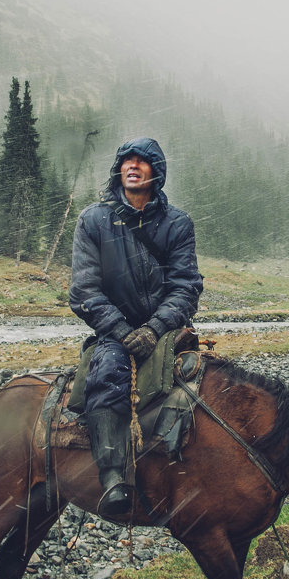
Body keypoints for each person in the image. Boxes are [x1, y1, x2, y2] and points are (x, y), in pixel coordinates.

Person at [69, 137, 202, 515]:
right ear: (118, 169)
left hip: (164, 328)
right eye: (126, 160)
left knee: (206, 382)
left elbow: (186, 286)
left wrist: (156, 326)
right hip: (115, 331)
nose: (132, 166)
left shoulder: (177, 223)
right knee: (109, 372)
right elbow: (84, 290)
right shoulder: (93, 220)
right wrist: (123, 331)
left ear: (156, 172)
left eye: (142, 161)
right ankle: (113, 478)